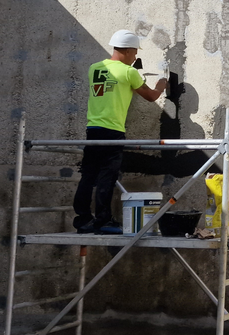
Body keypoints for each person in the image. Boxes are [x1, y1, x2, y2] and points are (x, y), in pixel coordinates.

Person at [72, 30, 168, 234]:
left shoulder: (94, 68)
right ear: (127, 50)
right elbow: (151, 97)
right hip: (112, 130)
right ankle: (103, 220)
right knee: (107, 175)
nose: (135, 57)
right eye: (135, 52)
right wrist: (160, 86)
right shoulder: (128, 72)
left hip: (93, 129)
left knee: (88, 175)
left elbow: (111, 88)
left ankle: (82, 219)